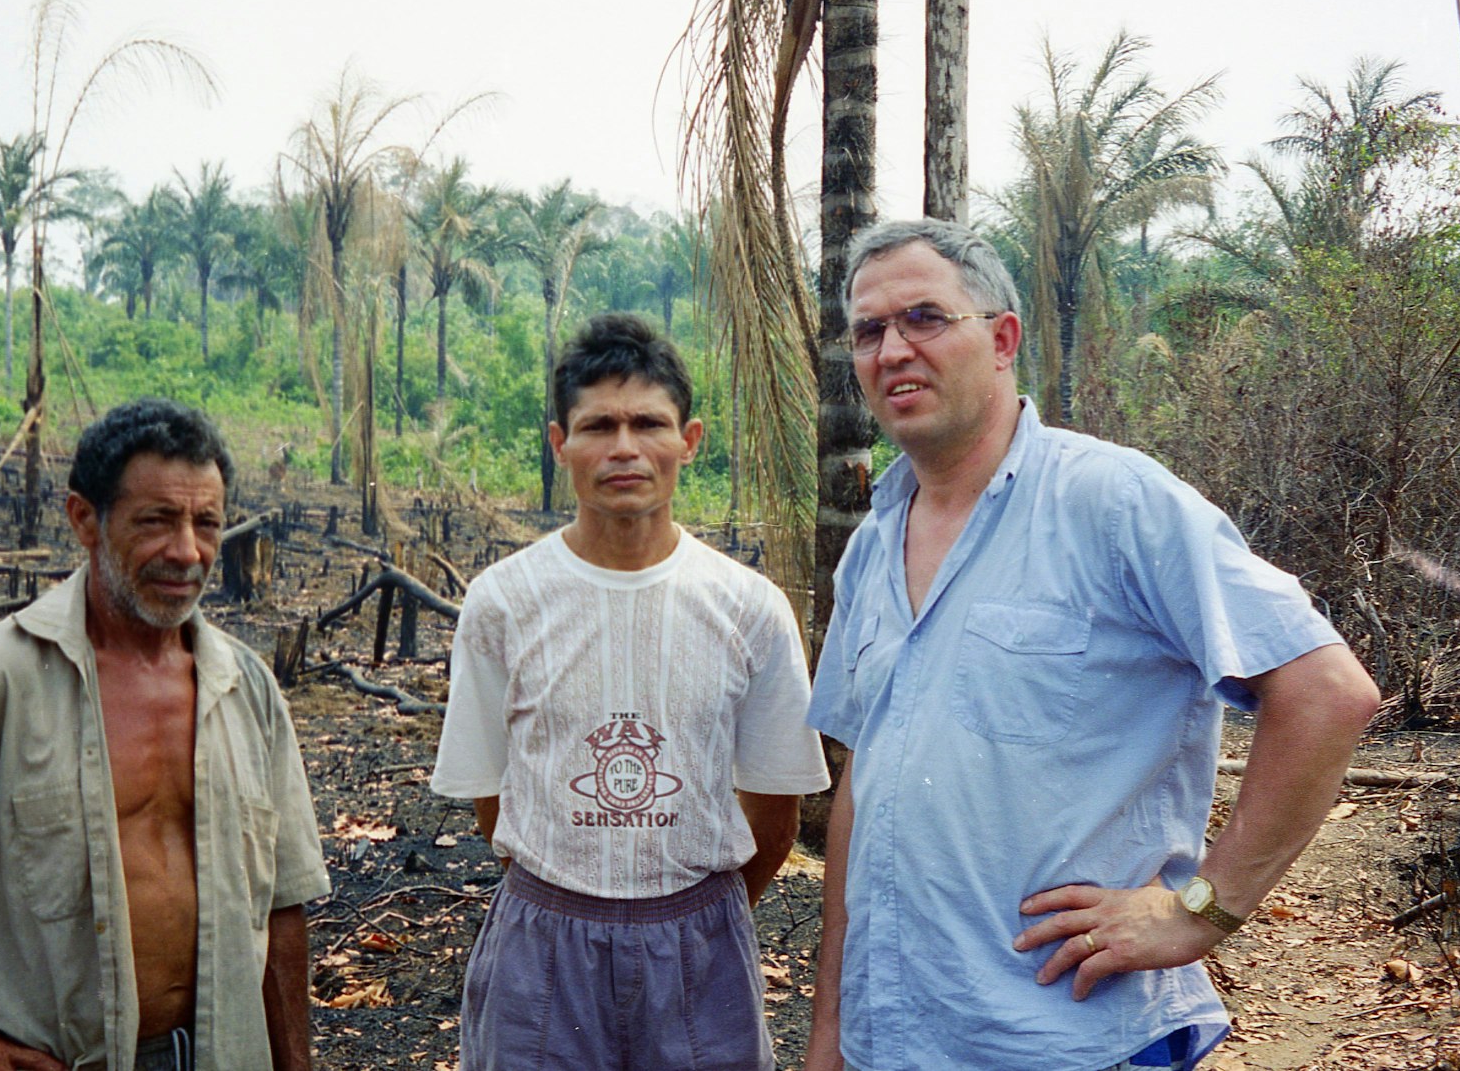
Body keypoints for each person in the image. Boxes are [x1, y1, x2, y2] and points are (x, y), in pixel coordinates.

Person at [802, 220, 1380, 1071]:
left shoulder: (1114, 504)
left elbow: (1329, 692)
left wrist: (1196, 912)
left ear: (1002, 339)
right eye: (869, 330)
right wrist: (830, 1032)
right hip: (899, 1038)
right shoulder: (871, 547)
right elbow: (867, 781)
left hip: (1071, 1037)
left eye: (925, 317)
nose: (893, 349)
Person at [0, 398, 331, 1071]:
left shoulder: (245, 687)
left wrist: (297, 1064)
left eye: (207, 522)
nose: (187, 551)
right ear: (85, 518)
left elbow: (281, 903)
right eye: (156, 520)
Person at [432, 313, 832, 1071]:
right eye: (597, 425)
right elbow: (495, 803)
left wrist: (682, 922)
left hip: (701, 942)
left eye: (649, 422)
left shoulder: (749, 606)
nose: (624, 447)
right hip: (542, 939)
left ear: (691, 439)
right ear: (559, 444)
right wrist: (576, 902)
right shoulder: (502, 602)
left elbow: (775, 815)